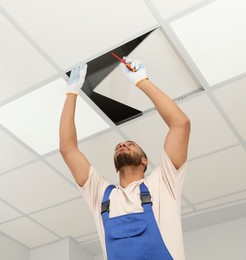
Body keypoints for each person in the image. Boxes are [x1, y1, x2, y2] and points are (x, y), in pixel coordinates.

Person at [59, 59, 190, 260]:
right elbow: (68, 149)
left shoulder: (164, 182)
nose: (122, 145)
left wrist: (142, 81)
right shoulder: (101, 194)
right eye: (119, 146)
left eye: (130, 145)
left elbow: (180, 124)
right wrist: (72, 93)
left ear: (145, 161)